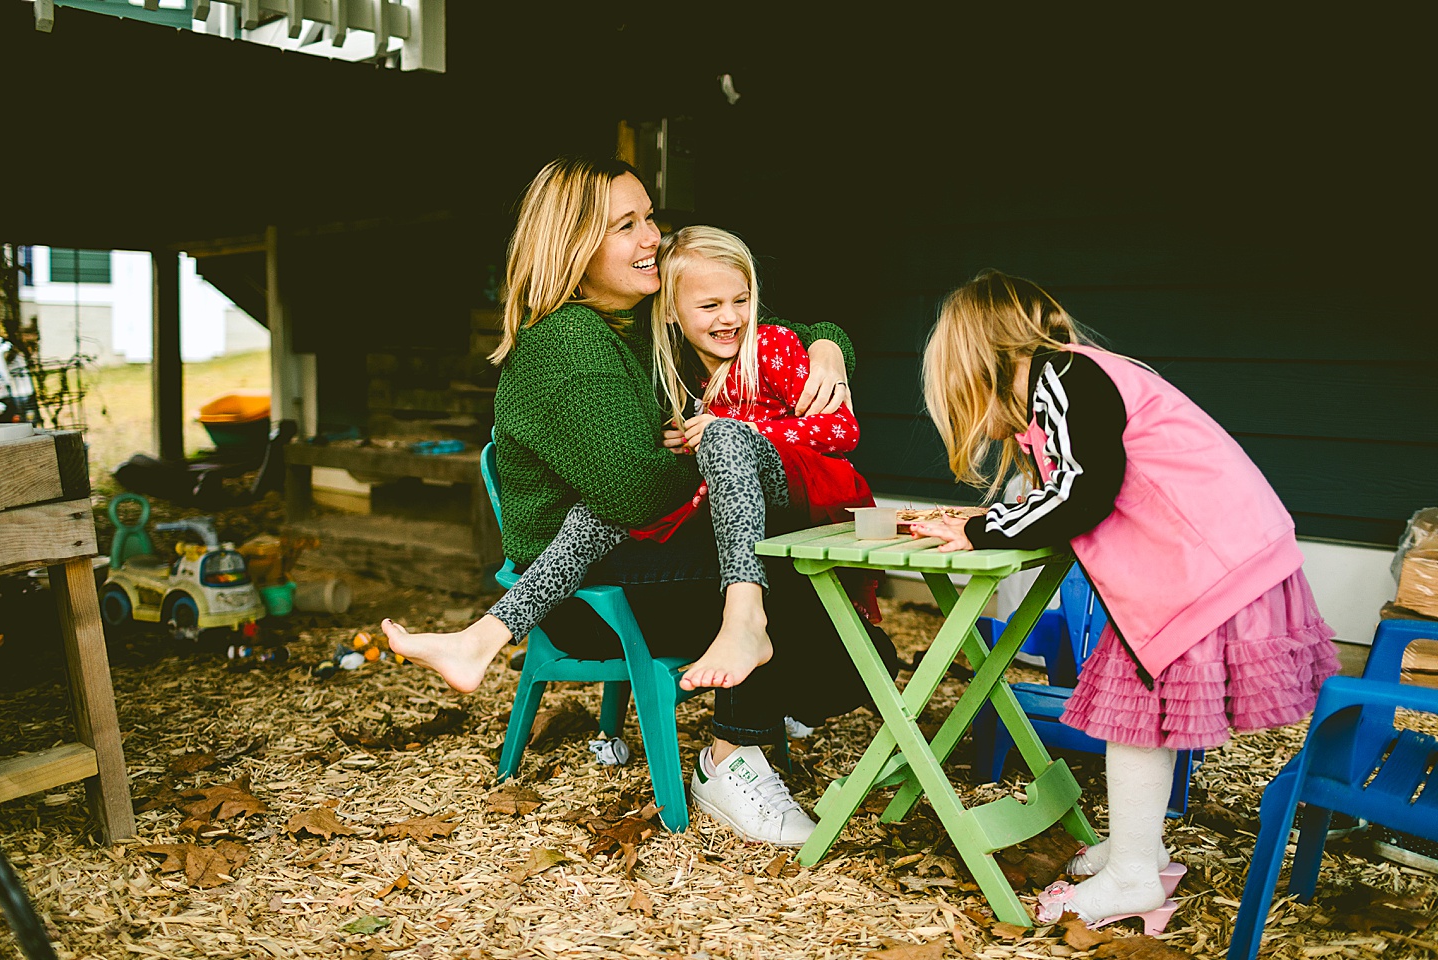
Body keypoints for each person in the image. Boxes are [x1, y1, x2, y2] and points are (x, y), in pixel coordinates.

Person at [384, 157, 896, 847]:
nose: (653, 236)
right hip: (584, 597)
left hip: (637, 556)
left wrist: (828, 349)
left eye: (649, 216)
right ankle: (730, 759)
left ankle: (789, 700)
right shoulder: (568, 348)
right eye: (626, 226)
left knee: (794, 553)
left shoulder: (648, 318)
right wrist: (716, 449)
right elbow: (639, 493)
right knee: (780, 543)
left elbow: (767, 337)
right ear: (572, 248)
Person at [910, 269, 1338, 930]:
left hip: (1202, 565)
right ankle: (1141, 847)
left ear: (975, 366)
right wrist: (979, 522)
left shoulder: (1061, 378)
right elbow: (1075, 484)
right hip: (1208, 557)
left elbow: (1082, 493)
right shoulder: (1073, 382)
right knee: (1143, 715)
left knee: (1136, 719)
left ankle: (1135, 876)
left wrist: (978, 528)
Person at [410, 224, 876, 697]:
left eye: (742, 302)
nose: (730, 318)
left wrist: (755, 420)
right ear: (672, 313)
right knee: (593, 516)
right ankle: (482, 637)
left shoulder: (767, 348)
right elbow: (648, 476)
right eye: (710, 306)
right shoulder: (674, 362)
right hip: (725, 497)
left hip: (807, 487)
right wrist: (679, 439)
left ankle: (745, 620)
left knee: (724, 440)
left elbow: (843, 430)